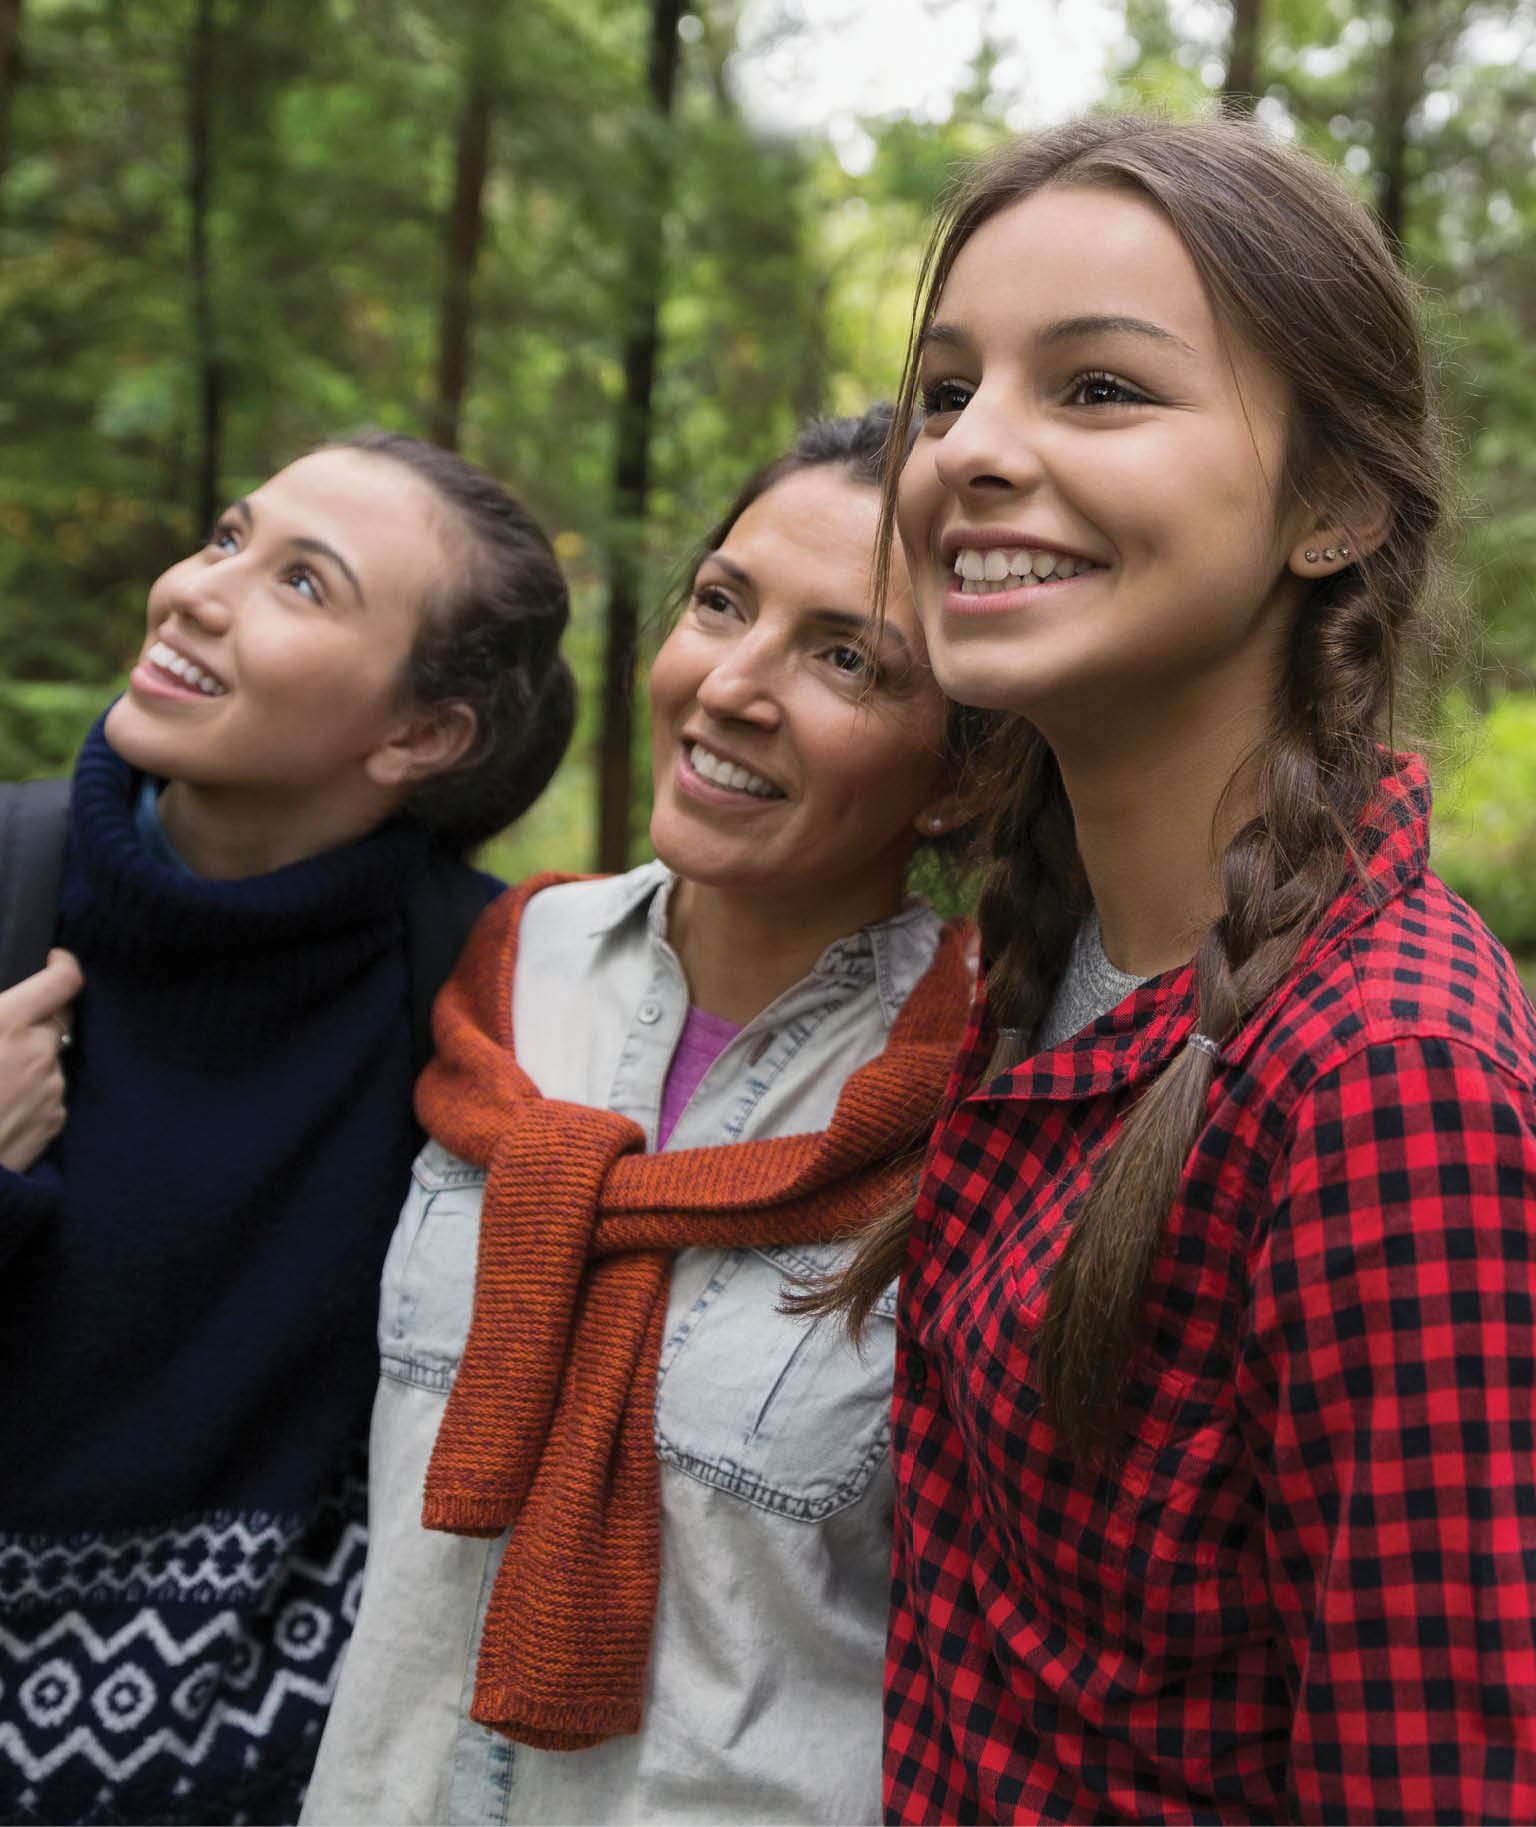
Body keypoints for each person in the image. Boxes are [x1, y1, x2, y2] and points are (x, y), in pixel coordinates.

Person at [820, 114, 1536, 1825]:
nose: (969, 453)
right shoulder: (1041, 962)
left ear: (1333, 506)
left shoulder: (1383, 1082)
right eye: (945, 392)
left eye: (1099, 391)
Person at [301, 408, 989, 1827]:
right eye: (723, 603)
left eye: (846, 657)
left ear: (964, 776)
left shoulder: (989, 1095)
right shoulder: (499, 975)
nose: (732, 684)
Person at [0, 432, 575, 1826]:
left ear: (419, 736)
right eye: (225, 537)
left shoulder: (496, 1000)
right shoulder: (10, 889)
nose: (197, 590)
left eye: (302, 584)